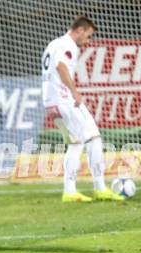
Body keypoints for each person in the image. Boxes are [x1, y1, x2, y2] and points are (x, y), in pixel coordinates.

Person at [41, 16, 124, 202]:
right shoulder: (69, 45)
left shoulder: (53, 44)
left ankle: (69, 192)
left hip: (50, 103)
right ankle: (100, 188)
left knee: (76, 143)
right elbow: (61, 67)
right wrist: (74, 92)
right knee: (94, 137)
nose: (87, 41)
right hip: (65, 101)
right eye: (88, 36)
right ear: (79, 31)